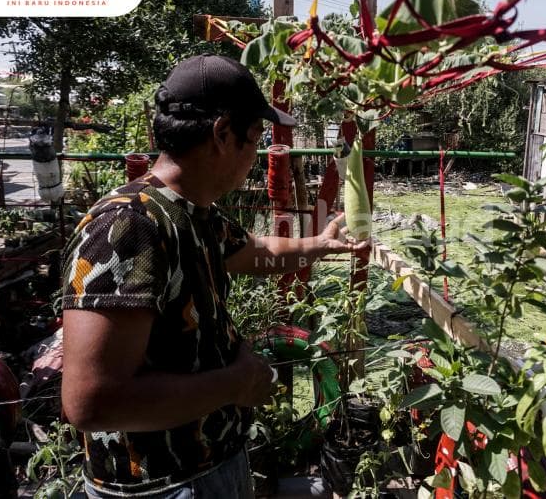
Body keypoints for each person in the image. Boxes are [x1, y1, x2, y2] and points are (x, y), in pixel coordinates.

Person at [60, 54, 366, 498]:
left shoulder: (188, 211)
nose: (258, 155)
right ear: (223, 133)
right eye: (255, 138)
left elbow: (251, 251)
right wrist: (236, 384)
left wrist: (319, 245)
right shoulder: (130, 227)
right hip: (160, 486)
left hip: (205, 467)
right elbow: (91, 402)